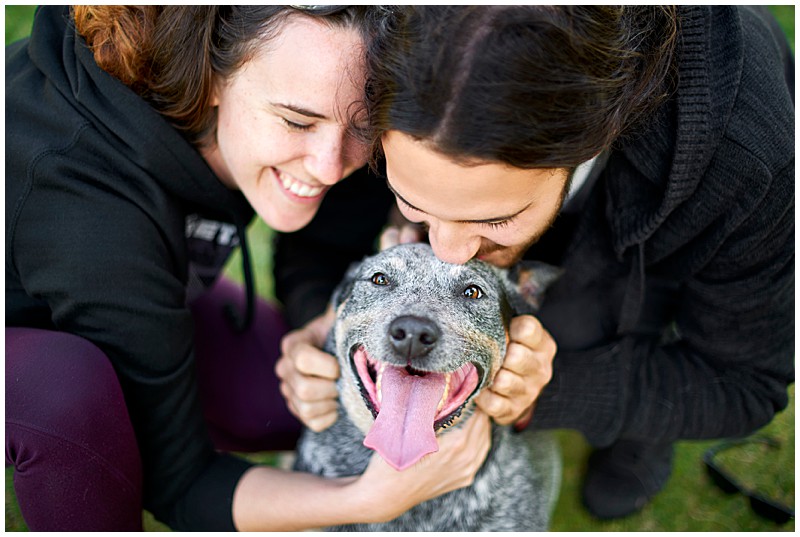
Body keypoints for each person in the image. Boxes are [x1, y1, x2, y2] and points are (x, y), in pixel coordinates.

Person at [274, 5, 795, 521]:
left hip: (675, 212)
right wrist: (320, 320)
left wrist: (552, 391)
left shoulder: (747, 155)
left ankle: (641, 433)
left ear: (591, 144)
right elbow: (321, 245)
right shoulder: (372, 64)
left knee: (593, 320)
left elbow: (744, 380)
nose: (449, 252)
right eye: (414, 205)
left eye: (494, 219)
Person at [5, 5, 494, 531]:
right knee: (66, 398)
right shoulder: (91, 208)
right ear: (213, 77)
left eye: (362, 126)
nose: (330, 165)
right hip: (34, 339)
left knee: (298, 401)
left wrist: (320, 319)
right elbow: (183, 487)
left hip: (132, 289)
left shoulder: (317, 92)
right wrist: (365, 500)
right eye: (296, 121)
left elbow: (329, 244)